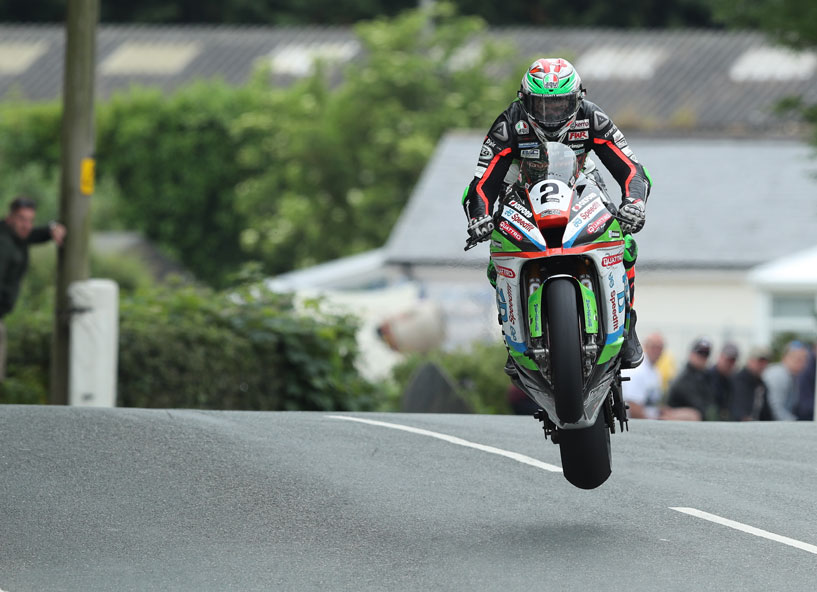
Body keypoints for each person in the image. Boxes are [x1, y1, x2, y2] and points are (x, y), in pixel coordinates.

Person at [461, 57, 652, 369]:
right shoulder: (509, 122)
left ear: (577, 99)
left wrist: (634, 204)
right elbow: (481, 183)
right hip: (521, 189)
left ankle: (627, 324)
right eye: (541, 106)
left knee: (626, 245)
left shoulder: (592, 116)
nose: (550, 115)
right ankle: (515, 338)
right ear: (524, 101)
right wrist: (479, 217)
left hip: (582, 185)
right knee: (498, 258)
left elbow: (632, 169)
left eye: (560, 105)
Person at [0, 196, 66, 380]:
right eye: (22, 219)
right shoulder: (3, 243)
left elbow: (34, 234)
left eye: (30, 220)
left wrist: (52, 228)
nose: (26, 225)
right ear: (10, 217)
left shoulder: (16, 238)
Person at [666, 338, 717, 421]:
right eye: (700, 353)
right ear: (691, 354)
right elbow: (701, 409)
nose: (703, 357)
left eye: (706, 354)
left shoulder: (704, 376)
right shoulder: (683, 379)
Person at [622, 332, 665, 419]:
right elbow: (633, 408)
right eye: (653, 347)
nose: (657, 351)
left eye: (660, 348)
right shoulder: (638, 371)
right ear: (645, 347)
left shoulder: (654, 370)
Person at [763, 341, 810, 421]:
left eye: (804, 359)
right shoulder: (778, 375)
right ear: (784, 357)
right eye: (798, 359)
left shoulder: (790, 375)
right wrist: (795, 424)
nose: (802, 363)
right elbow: (775, 408)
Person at [730, 346, 772, 421]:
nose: (763, 365)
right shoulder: (739, 380)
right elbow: (738, 411)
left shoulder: (761, 384)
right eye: (760, 361)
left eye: (765, 361)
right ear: (750, 360)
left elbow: (766, 413)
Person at [707, 342, 739, 420]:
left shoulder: (733, 379)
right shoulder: (707, 377)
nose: (730, 363)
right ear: (720, 357)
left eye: (733, 360)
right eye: (728, 359)